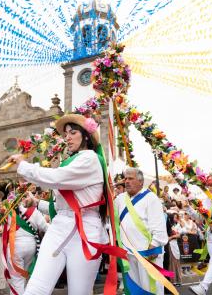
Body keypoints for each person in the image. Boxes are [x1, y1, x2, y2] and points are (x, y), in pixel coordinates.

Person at [8, 113, 125, 295]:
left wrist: (24, 165)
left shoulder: (90, 159)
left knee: (79, 292)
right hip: (59, 228)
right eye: (65, 134)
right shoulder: (73, 161)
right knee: (35, 288)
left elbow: (56, 178)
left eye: (72, 133)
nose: (67, 138)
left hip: (85, 232)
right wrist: (37, 202)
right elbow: (64, 207)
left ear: (86, 135)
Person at [114, 167, 168, 294]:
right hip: (128, 253)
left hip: (147, 253)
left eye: (131, 179)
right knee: (134, 290)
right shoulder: (120, 199)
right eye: (126, 179)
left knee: (151, 288)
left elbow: (159, 226)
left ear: (140, 182)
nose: (127, 181)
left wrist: (154, 245)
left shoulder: (151, 198)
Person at [7, 196, 49, 294]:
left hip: (15, 246)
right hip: (31, 246)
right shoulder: (35, 212)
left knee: (17, 278)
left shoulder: (8, 212)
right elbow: (45, 227)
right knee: (24, 275)